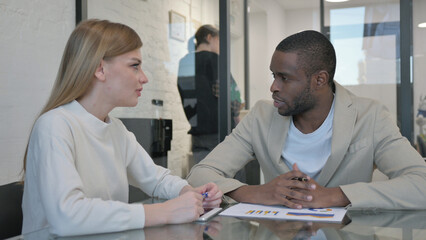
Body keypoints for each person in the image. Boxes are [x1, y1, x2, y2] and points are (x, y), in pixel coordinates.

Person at [21, 19, 222, 236]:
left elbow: (156, 179)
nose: (144, 78)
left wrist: (190, 192)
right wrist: (164, 211)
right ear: (100, 69)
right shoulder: (54, 126)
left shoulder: (116, 130)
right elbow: (67, 216)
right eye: (134, 66)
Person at [187, 30, 426, 210]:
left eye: (284, 78)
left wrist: (334, 195)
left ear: (320, 80)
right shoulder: (260, 117)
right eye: (273, 76)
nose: (273, 87)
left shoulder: (370, 116)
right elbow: (200, 174)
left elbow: (421, 183)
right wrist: (256, 193)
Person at [177, 24, 242, 166]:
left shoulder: (184, 62)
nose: (220, 46)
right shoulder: (215, 60)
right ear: (209, 38)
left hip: (198, 133)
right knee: (229, 182)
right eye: (218, 41)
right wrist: (236, 117)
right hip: (220, 131)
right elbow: (233, 95)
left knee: (203, 179)